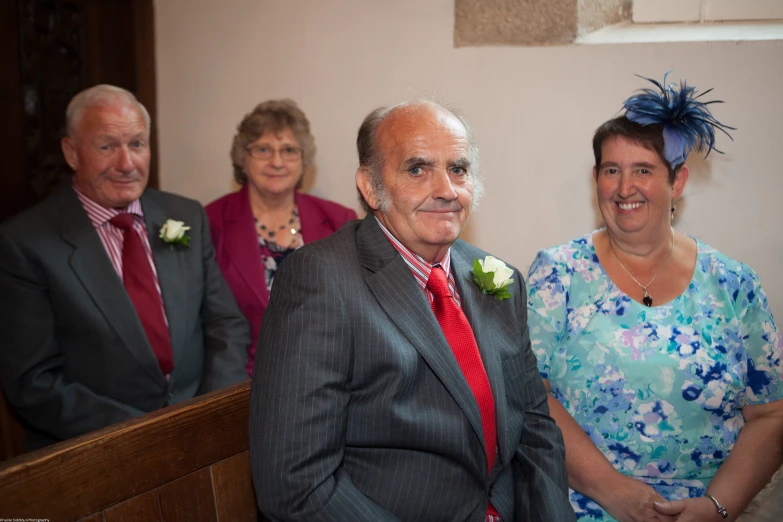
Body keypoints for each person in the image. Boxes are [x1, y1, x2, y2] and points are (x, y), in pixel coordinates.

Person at [250, 100, 574, 522]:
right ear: (369, 186)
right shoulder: (321, 281)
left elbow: (535, 430)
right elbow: (294, 484)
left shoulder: (497, 280)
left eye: (458, 169)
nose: (446, 189)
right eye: (417, 169)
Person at [526, 74, 783, 521]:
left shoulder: (733, 283)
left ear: (677, 181)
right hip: (581, 506)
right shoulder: (559, 274)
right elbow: (529, 396)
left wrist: (716, 508)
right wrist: (613, 492)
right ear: (597, 179)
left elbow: (771, 414)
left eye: (643, 170)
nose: (625, 189)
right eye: (612, 171)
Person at [0, 84, 250, 450]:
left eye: (137, 144)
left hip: (201, 435)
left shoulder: (184, 216)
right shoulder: (25, 242)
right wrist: (145, 434)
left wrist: (208, 411)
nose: (126, 163)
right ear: (71, 152)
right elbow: (34, 381)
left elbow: (225, 322)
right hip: (98, 451)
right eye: (107, 146)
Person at [206, 99, 357, 376]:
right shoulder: (211, 222)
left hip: (328, 374)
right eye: (263, 149)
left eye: (288, 150)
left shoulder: (341, 221)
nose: (276, 162)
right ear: (243, 157)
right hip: (241, 381)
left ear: (303, 160)